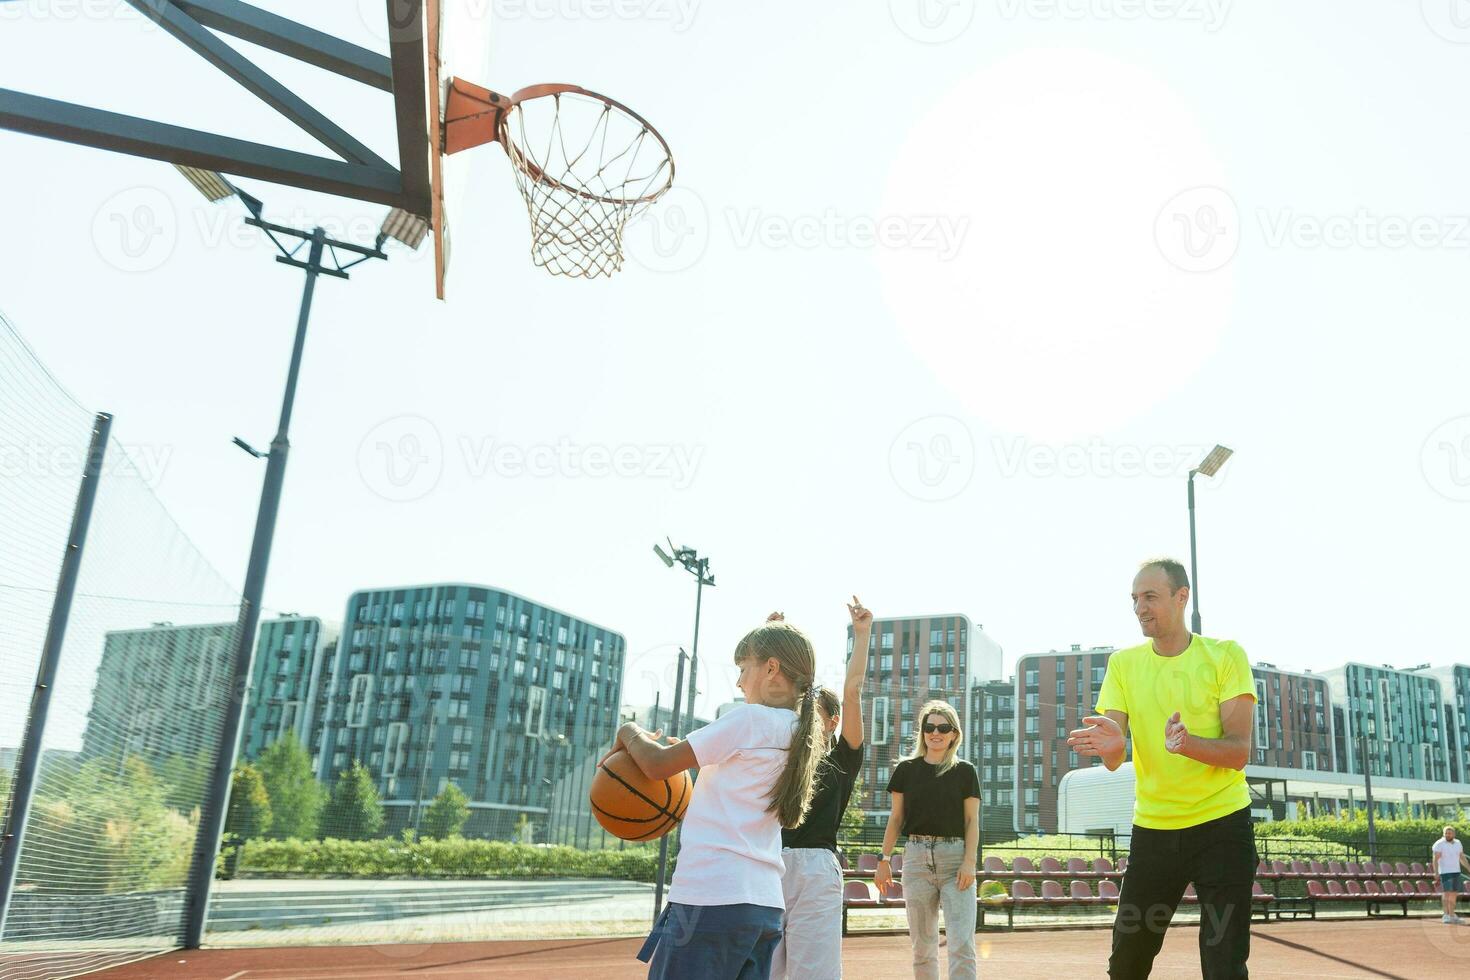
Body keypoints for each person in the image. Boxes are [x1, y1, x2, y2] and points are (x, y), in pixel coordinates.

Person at [1068, 558, 1257, 980]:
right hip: (1154, 832)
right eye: (1134, 599)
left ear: (1181, 597)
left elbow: (1239, 751)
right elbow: (1114, 755)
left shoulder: (1226, 655)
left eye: (1150, 597)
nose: (1140, 607)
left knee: (1224, 963)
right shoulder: (1123, 664)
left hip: (1222, 829)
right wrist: (1113, 745)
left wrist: (1187, 744)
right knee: (1127, 962)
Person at [605, 618, 826, 979]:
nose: (739, 681)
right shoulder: (800, 732)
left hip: (710, 898)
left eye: (743, 669)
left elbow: (657, 764)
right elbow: (737, 773)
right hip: (764, 906)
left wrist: (629, 730)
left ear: (771, 668)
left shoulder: (750, 720)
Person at [770, 597, 873, 980]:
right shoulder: (780, 752)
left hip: (815, 869)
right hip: (768, 863)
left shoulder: (843, 759)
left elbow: (852, 691)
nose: (805, 717)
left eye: (815, 711)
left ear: (833, 721)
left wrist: (861, 636)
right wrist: (775, 641)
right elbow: (773, 695)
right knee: (762, 972)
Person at [876, 699, 980, 980]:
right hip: (916, 861)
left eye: (943, 727)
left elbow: (972, 821)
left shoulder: (965, 772)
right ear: (922, 731)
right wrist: (884, 860)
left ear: (954, 734)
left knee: (961, 944)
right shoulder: (906, 770)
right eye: (929, 726)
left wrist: (969, 862)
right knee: (922, 947)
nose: (936, 733)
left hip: (955, 861)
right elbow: (896, 819)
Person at [1432, 825, 1470, 923]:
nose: (1448, 835)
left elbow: (1461, 857)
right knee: (1447, 893)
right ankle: (1446, 915)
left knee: (1454, 894)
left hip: (1456, 872)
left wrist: (1469, 868)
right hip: (1445, 872)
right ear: (1443, 834)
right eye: (1446, 833)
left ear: (1454, 834)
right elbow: (1435, 859)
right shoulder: (1439, 844)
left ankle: (1452, 915)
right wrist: (1436, 872)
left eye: (1450, 833)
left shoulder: (1458, 843)